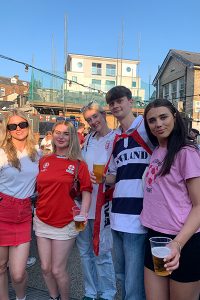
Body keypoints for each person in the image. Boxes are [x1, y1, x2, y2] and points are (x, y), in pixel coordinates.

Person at [140, 98, 200, 300]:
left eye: (163, 117)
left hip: (184, 240)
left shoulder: (186, 153)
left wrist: (178, 244)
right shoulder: (157, 151)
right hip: (154, 237)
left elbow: (199, 205)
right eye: (152, 120)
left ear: (174, 116)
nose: (158, 124)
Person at [33, 120, 92, 300]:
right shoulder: (44, 160)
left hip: (65, 221)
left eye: (66, 133)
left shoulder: (78, 164)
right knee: (45, 267)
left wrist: (83, 213)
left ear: (72, 137)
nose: (61, 136)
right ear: (52, 135)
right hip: (42, 218)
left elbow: (87, 191)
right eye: (57, 132)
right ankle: (54, 297)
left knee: (58, 269)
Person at [105, 86, 153, 300]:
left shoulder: (147, 127)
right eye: (111, 103)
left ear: (131, 101)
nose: (115, 105)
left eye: (119, 100)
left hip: (138, 216)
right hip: (117, 215)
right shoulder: (116, 138)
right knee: (122, 275)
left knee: (134, 282)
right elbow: (115, 176)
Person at [76, 102, 116, 300]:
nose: (92, 122)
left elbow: (121, 174)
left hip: (103, 204)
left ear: (104, 113)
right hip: (82, 204)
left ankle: (107, 293)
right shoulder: (89, 138)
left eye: (95, 117)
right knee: (84, 253)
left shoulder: (116, 137)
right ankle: (90, 292)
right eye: (88, 119)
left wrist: (105, 179)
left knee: (102, 252)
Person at [0, 109, 40, 300]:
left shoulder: (36, 153)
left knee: (17, 272)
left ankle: (21, 297)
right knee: (0, 266)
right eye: (13, 126)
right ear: (7, 130)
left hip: (24, 212)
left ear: (28, 126)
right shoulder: (1, 153)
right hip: (2, 211)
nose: (18, 129)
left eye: (22, 124)